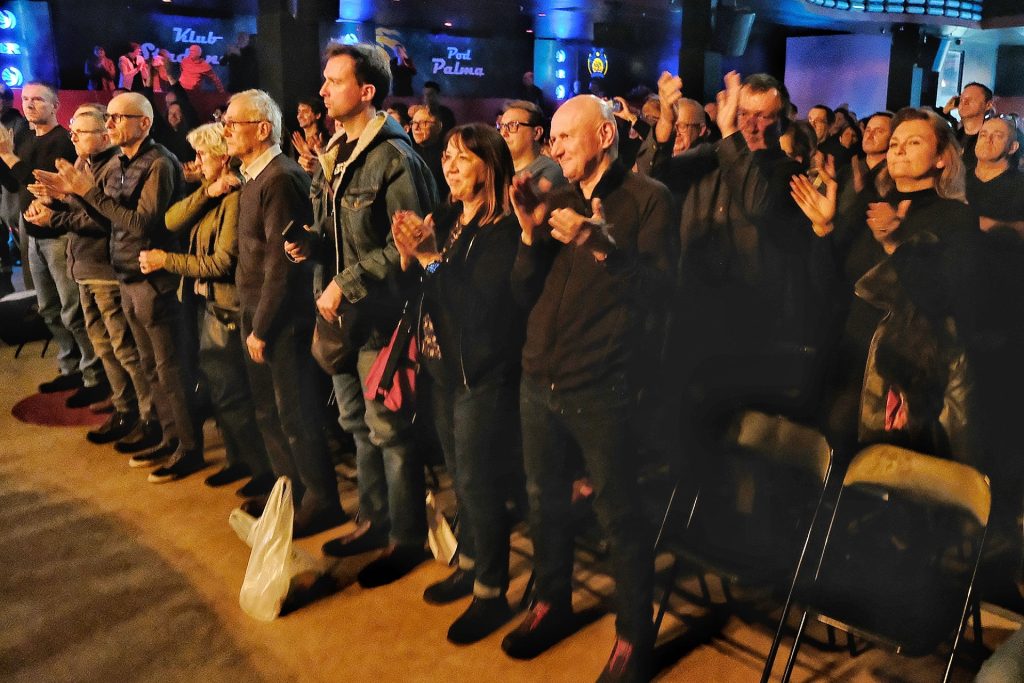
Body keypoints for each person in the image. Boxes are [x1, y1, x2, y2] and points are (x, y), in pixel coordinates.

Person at [502, 95, 674, 682]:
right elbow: (524, 294)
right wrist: (528, 235)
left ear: (604, 134)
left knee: (619, 515)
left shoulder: (650, 200)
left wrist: (599, 241)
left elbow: (659, 295)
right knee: (544, 500)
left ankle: (632, 639)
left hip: (602, 383)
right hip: (539, 378)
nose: (553, 148)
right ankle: (551, 601)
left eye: (564, 136)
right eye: (550, 138)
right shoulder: (558, 201)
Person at [285, 42, 437, 585]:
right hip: (340, 315)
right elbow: (340, 234)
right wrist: (311, 245)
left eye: (333, 81)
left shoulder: (396, 158)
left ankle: (406, 539)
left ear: (366, 91)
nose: (322, 91)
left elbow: (408, 244)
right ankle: (373, 518)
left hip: (379, 316)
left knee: (390, 430)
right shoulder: (340, 152)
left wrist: (345, 282)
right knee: (355, 424)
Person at [392, 123, 525, 644]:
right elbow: (426, 288)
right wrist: (411, 253)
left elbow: (478, 310)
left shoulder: (504, 231)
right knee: (459, 476)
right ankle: (469, 564)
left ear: (489, 166)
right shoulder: (451, 218)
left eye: (462, 158)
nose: (448, 165)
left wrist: (429, 259)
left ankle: (492, 592)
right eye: (446, 156)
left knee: (479, 482)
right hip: (441, 367)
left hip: (481, 374)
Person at [34, 92, 201, 483]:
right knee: (147, 365)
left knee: (168, 368)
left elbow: (141, 224)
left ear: (143, 123)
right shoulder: (122, 163)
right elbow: (109, 220)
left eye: (117, 118)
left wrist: (84, 191)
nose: (110, 125)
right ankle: (167, 435)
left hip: (151, 278)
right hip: (124, 272)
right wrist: (69, 196)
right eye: (107, 118)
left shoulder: (159, 162)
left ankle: (188, 448)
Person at [225, 88, 345, 535]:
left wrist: (261, 327)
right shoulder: (255, 174)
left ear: (263, 128)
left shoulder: (280, 177)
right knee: (268, 413)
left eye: (233, 123)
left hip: (280, 320)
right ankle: (288, 491)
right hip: (257, 312)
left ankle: (320, 499)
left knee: (296, 415)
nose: (226, 131)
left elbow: (283, 263)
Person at [138, 122, 274, 493]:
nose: (195, 161)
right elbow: (170, 219)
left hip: (228, 307)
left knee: (235, 393)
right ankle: (238, 460)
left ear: (223, 156)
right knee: (219, 389)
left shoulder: (235, 198)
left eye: (202, 154)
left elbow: (221, 264)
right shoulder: (214, 193)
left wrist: (167, 260)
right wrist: (207, 191)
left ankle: (259, 468)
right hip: (207, 304)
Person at [24, 103, 150, 445]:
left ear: (104, 135)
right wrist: (56, 201)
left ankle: (144, 414)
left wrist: (57, 219)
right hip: (83, 267)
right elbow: (84, 209)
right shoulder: (86, 164)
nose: (74, 137)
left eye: (82, 132)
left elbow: (105, 221)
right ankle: (123, 405)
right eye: (73, 132)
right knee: (103, 345)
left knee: (123, 348)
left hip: (106, 270)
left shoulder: (112, 168)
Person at [0, 83, 106, 407]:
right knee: (48, 308)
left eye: (38, 100)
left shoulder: (62, 139)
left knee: (73, 309)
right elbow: (13, 184)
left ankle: (94, 375)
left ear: (55, 105)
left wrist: (8, 155)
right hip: (33, 233)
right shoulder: (25, 138)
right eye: (26, 99)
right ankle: (70, 365)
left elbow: (36, 180)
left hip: (60, 234)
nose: (30, 104)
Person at [966, 116, 1024, 234]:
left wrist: (996, 225)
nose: (988, 139)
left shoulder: (1020, 185)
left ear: (1013, 147)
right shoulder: (956, 180)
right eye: (983, 135)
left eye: (998, 136)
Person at [497, 100, 565, 190]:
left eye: (512, 125)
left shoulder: (548, 174)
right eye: (502, 126)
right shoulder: (499, 171)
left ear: (536, 133)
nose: (504, 133)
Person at [0, 83, 28, 295]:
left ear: (9, 101)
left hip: (12, 192)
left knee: (24, 244)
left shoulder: (20, 125)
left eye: (2, 96)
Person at [943, 81, 993, 170]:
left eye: (971, 99)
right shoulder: (952, 137)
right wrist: (944, 112)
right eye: (961, 99)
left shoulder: (991, 140)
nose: (964, 102)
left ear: (988, 105)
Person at [410, 104, 446, 193]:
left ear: (438, 127)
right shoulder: (406, 151)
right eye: (414, 123)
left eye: (423, 123)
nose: (415, 128)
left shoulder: (447, 154)